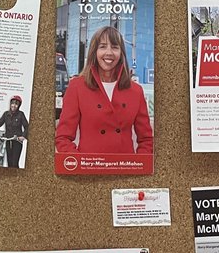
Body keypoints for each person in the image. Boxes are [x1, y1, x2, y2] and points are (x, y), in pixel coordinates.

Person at [55, 25, 153, 158]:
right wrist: (80, 164)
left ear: (121, 53)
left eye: (114, 47)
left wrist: (139, 164)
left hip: (125, 171)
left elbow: (147, 140)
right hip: (89, 171)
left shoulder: (136, 91)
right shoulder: (77, 87)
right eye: (102, 46)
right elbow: (63, 138)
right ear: (94, 52)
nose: (109, 52)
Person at [0, 96, 29, 168]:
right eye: (13, 103)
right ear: (10, 104)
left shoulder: (21, 114)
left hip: (17, 141)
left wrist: (23, 136)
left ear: (19, 106)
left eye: (16, 104)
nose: (14, 105)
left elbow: (27, 126)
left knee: (14, 163)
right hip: (7, 140)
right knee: (9, 163)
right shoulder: (6, 114)